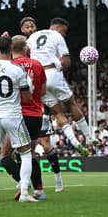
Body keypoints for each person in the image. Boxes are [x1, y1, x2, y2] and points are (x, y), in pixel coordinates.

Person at [26, 17, 96, 157]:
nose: (64, 35)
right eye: (64, 32)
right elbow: (66, 61)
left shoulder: (32, 37)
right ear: (58, 28)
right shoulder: (57, 36)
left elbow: (25, 56)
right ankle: (89, 138)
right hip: (52, 73)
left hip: (37, 79)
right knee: (71, 103)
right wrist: (60, 65)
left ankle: (75, 142)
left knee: (58, 112)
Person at [0, 36, 36, 203]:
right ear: (12, 48)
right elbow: (27, 98)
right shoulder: (17, 70)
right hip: (12, 116)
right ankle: (25, 194)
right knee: (26, 153)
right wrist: (30, 82)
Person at [0, 34, 48, 201]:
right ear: (26, 49)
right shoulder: (37, 65)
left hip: (17, 115)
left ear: (11, 49)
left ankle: (22, 182)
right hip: (36, 115)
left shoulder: (10, 66)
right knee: (30, 155)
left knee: (5, 156)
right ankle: (40, 191)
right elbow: (42, 91)